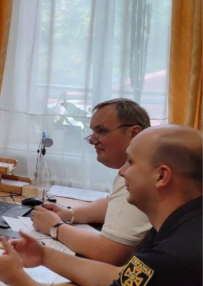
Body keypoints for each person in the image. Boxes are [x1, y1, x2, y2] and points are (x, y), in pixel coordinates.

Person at [0, 125, 202, 286]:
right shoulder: (183, 223)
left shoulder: (170, 259)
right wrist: (44, 255)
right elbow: (119, 275)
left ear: (161, 176)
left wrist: (15, 277)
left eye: (131, 162)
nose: (122, 171)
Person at [32, 98, 152, 265]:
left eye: (102, 131)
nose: (91, 140)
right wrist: (69, 214)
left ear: (134, 133)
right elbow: (112, 203)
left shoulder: (141, 175)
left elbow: (110, 253)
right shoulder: (140, 164)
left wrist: (55, 227)